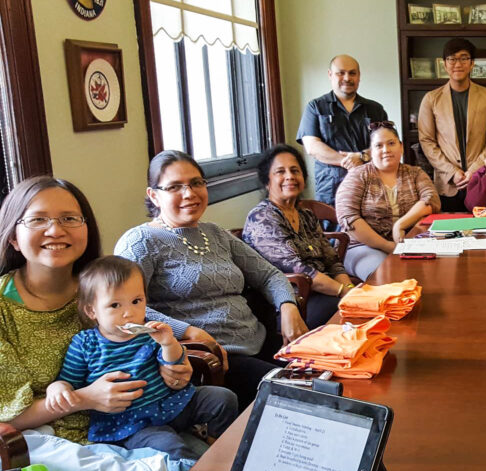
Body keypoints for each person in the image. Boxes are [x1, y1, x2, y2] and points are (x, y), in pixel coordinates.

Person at [0, 177, 195, 471]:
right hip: (47, 444)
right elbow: (7, 416)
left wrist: (175, 362)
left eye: (69, 218)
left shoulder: (104, 289)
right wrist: (84, 399)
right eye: (38, 219)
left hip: (133, 422)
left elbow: (149, 331)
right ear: (14, 237)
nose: (55, 230)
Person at [115, 150, 307, 408]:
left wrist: (288, 306)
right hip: (211, 357)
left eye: (196, 183)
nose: (189, 193)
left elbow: (270, 274)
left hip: (259, 339)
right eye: (174, 187)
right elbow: (128, 312)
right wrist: (188, 331)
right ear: (154, 195)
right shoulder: (140, 242)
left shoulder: (215, 233)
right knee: (301, 398)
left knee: (332, 376)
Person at [49, 256, 237, 461]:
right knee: (171, 447)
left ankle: (217, 445)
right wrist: (58, 388)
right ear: (92, 310)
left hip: (173, 403)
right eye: (114, 305)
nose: (129, 313)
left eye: (136, 301)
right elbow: (69, 380)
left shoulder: (149, 331)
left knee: (223, 398)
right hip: (132, 423)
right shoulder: (85, 344)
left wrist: (168, 343)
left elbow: (174, 366)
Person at [243, 144, 356, 328]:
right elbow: (300, 270)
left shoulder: (306, 215)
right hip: (289, 302)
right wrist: (344, 292)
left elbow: (331, 261)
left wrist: (349, 289)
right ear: (267, 181)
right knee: (354, 312)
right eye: (280, 171)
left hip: (322, 292)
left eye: (295, 170)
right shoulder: (262, 218)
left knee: (364, 306)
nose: (290, 176)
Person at [335, 122, 441, 279]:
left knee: (437, 270)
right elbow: (348, 218)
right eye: (379, 146)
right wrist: (388, 246)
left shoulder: (415, 173)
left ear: (401, 146)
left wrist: (400, 224)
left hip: (408, 244)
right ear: (371, 152)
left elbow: (431, 200)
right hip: (361, 247)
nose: (386, 150)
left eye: (391, 143)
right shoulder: (358, 176)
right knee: (387, 274)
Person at [417, 38, 486, 212]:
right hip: (447, 183)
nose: (458, 64)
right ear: (444, 64)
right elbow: (426, 141)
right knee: (449, 234)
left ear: (472, 64)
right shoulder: (431, 99)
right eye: (452, 59)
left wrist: (474, 170)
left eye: (464, 58)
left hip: (482, 177)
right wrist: (452, 171)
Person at [297, 54, 388, 204]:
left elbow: (387, 143)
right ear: (330, 74)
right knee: (332, 226)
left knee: (373, 225)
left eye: (352, 73)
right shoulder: (315, 107)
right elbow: (312, 147)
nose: (347, 78)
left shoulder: (375, 109)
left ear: (359, 76)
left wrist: (362, 157)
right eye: (341, 73)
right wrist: (349, 162)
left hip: (370, 183)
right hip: (331, 187)